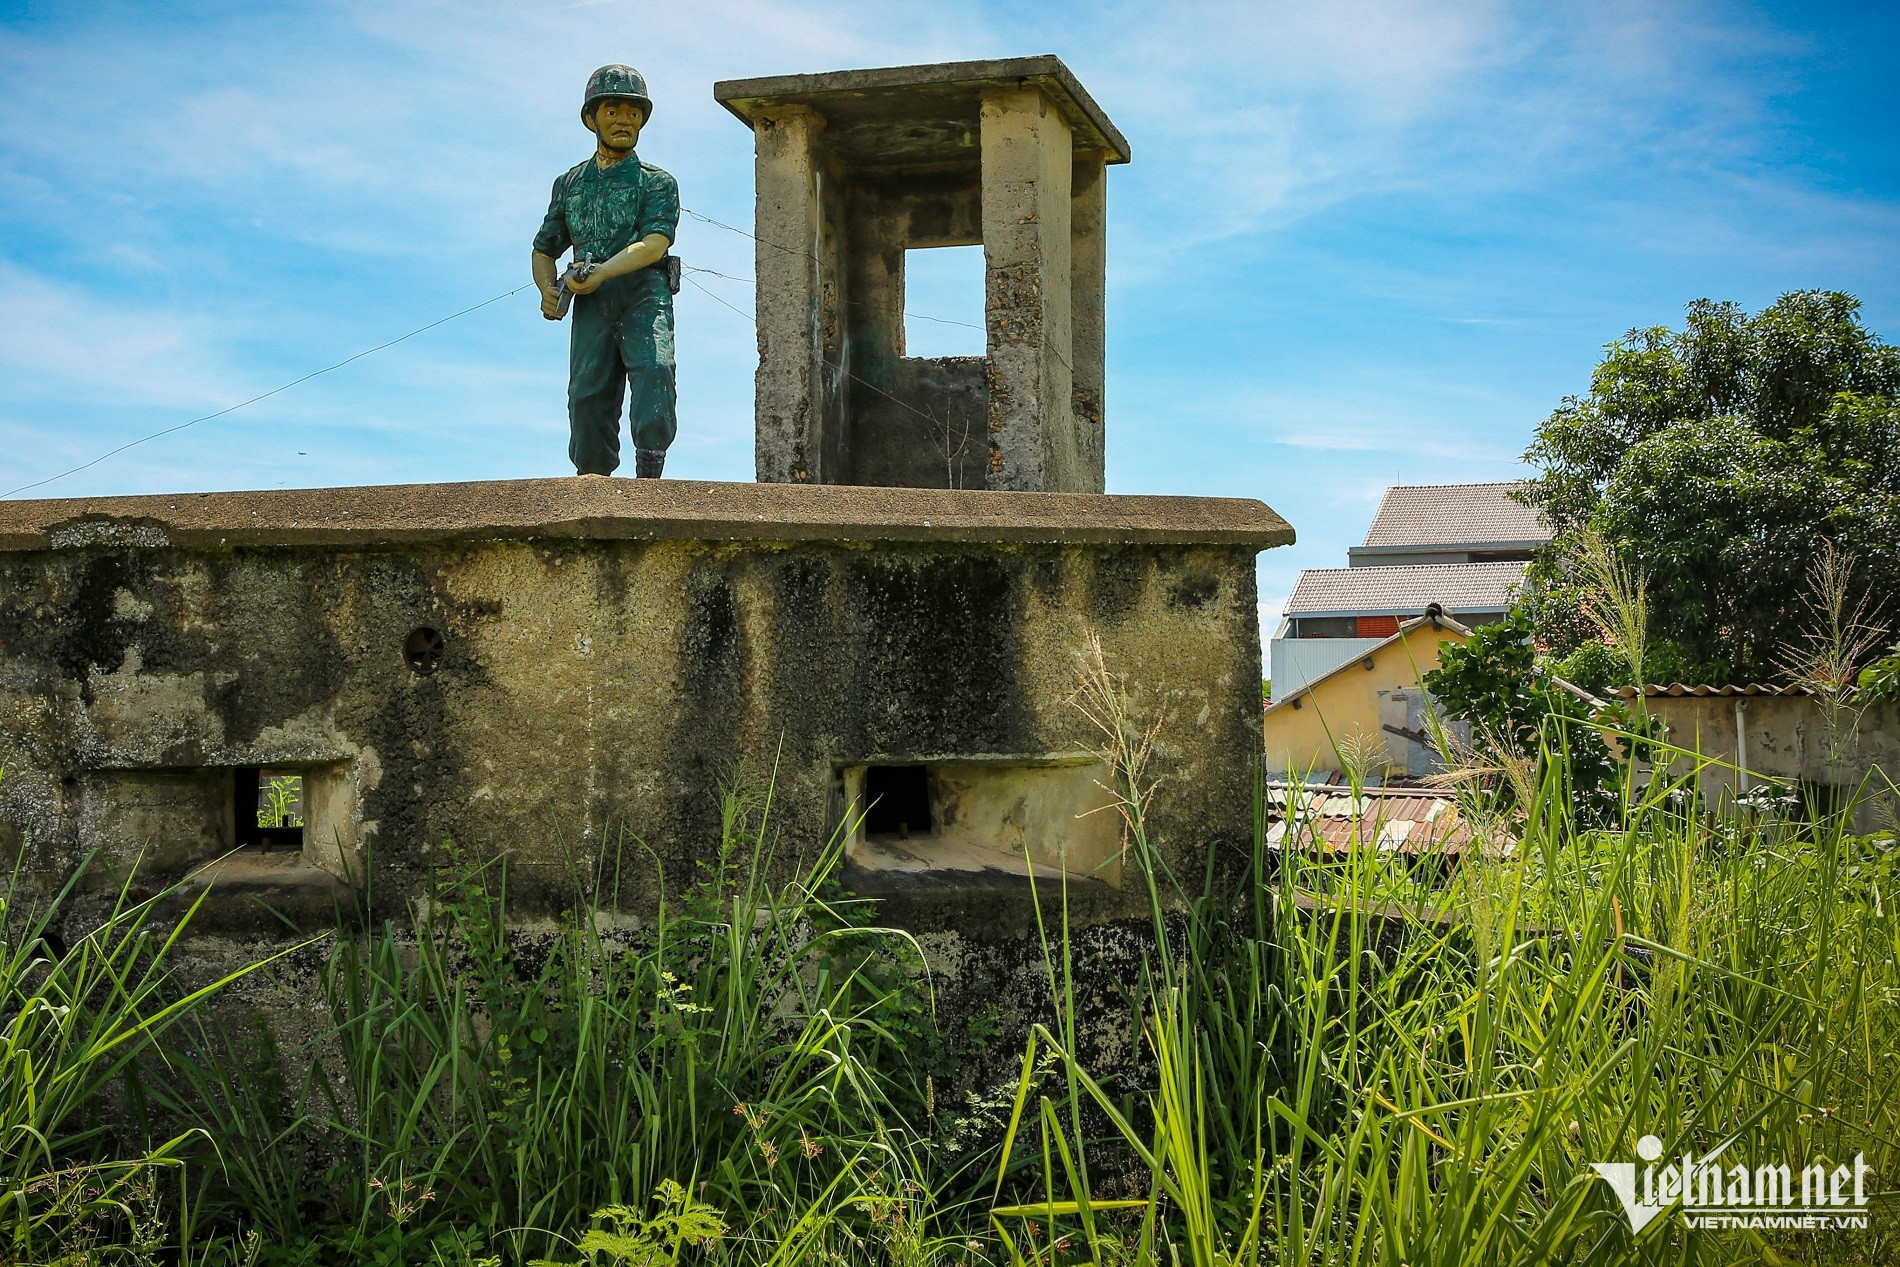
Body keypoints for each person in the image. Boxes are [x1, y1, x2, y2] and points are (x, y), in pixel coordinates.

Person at [532, 65, 680, 478]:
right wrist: (547, 289)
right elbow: (544, 248)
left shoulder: (657, 182)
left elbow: (655, 243)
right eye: (612, 111)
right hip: (592, 301)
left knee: (655, 369)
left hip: (644, 293)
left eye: (633, 113)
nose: (624, 121)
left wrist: (603, 271)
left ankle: (650, 482)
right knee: (586, 397)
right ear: (590, 119)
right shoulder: (569, 183)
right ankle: (592, 487)